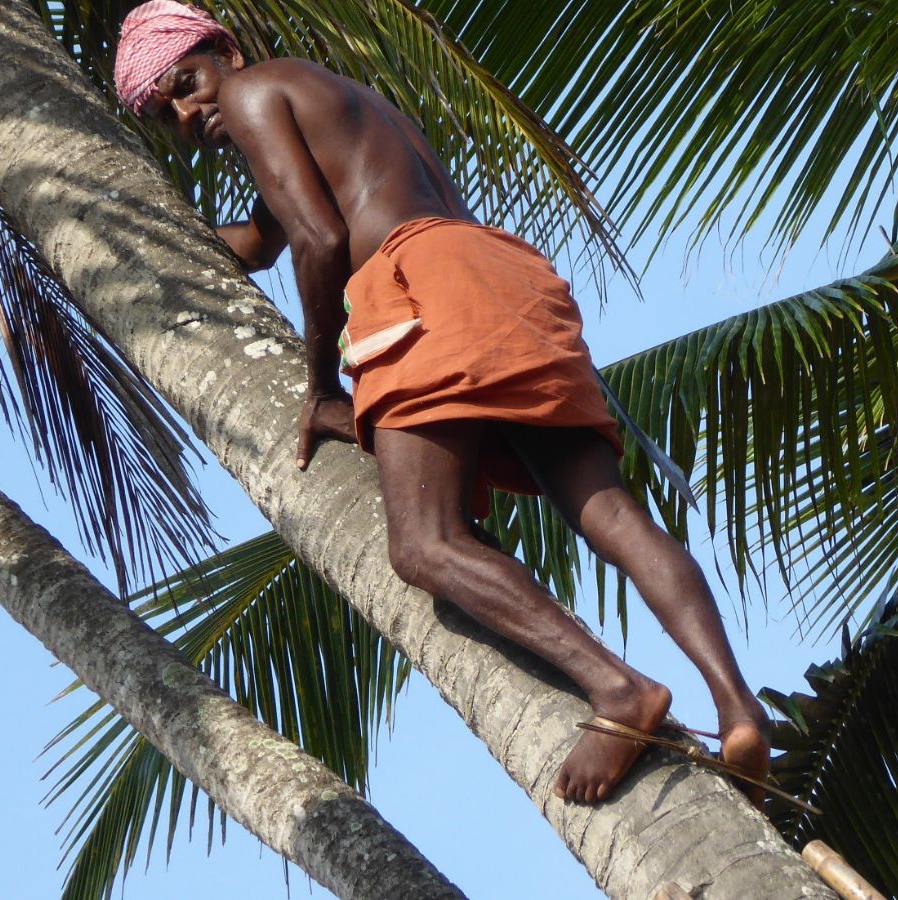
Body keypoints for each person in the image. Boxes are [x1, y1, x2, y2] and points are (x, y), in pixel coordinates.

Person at [113, 1, 772, 805]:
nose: (190, 112)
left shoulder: (253, 96)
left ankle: (620, 691)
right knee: (609, 515)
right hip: (499, 273)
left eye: (187, 82)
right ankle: (738, 708)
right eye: (167, 115)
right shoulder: (333, 101)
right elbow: (262, 240)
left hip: (417, 286)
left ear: (224, 49)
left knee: (423, 546)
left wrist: (323, 388)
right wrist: (145, 230)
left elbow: (319, 240)